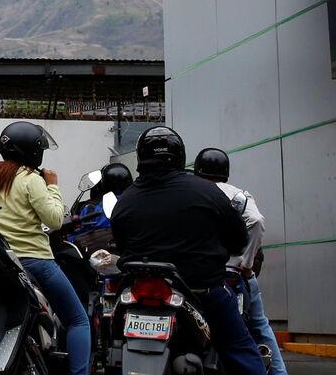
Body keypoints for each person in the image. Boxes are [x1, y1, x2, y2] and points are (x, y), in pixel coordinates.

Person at [109, 127, 263, 375]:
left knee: (107, 338)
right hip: (201, 289)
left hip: (137, 292)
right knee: (239, 346)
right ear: (179, 155)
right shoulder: (207, 191)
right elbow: (238, 239)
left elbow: (121, 242)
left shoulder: (125, 200)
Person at [0, 121, 90, 375]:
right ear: (32, 151)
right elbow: (53, 219)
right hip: (37, 262)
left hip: (6, 263)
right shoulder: (31, 179)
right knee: (78, 320)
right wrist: (52, 184)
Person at [194, 148, 287, 375]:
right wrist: (245, 264)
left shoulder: (194, 194)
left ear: (197, 170)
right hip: (236, 275)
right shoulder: (238, 195)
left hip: (204, 275)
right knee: (259, 325)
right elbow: (256, 221)